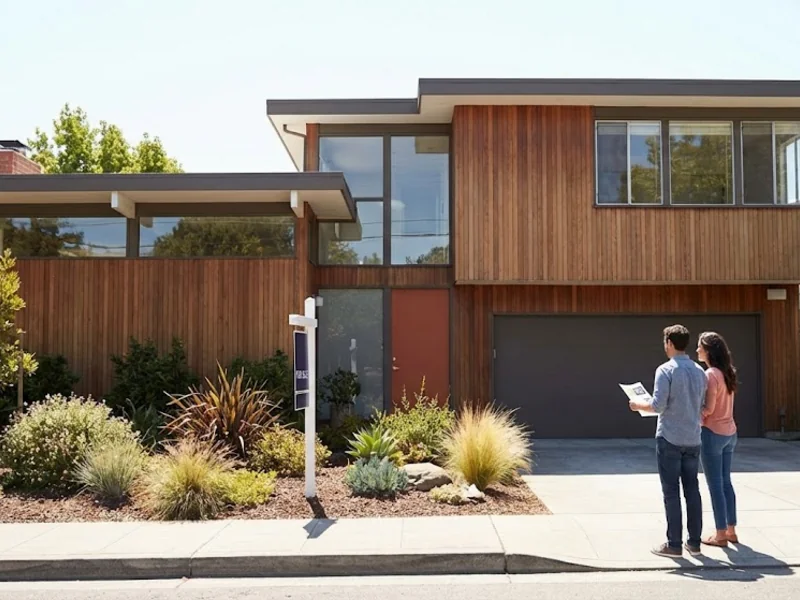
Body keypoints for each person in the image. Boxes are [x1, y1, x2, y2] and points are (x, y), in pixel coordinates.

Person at [629, 324, 707, 558]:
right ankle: (694, 543)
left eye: (665, 342)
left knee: (671, 491)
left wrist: (636, 405)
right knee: (692, 490)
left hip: (670, 438)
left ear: (670, 343)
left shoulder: (665, 370)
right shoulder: (699, 371)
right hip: (693, 438)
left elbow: (657, 405)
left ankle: (673, 544)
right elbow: (702, 405)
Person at [696, 331, 739, 547]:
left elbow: (708, 409)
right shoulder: (727, 372)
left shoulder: (710, 374)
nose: (697, 351)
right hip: (730, 433)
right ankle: (731, 530)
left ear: (709, 351)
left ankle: (720, 534)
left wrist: (692, 411)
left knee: (715, 485)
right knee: (726, 482)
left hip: (712, 434)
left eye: (700, 347)